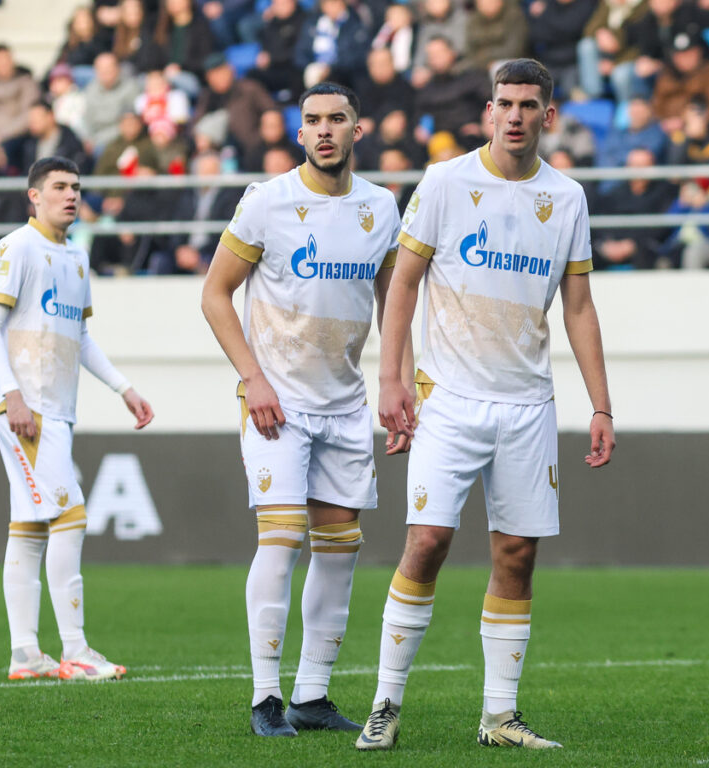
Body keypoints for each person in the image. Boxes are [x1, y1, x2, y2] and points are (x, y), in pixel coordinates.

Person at [356, 58, 614, 751]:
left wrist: (601, 405)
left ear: (548, 116)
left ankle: (499, 716)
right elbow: (402, 285)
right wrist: (391, 378)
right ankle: (385, 702)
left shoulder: (567, 198)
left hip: (528, 404)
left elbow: (580, 306)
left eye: (529, 104)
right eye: (505, 102)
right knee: (428, 541)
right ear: (488, 112)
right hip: (450, 397)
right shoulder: (445, 181)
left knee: (517, 554)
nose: (516, 115)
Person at [200, 82, 410, 738]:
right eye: (313, 121)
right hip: (277, 403)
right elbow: (214, 294)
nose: (324, 130)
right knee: (283, 536)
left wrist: (396, 378)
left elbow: (394, 299)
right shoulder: (267, 202)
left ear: (357, 129)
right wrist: (252, 378)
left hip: (345, 405)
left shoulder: (381, 206)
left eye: (336, 119)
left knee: (341, 547)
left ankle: (312, 696)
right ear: (300, 133)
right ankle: (266, 696)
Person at [0, 156, 153, 682]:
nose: (70, 195)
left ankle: (26, 654)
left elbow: (81, 337)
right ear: (34, 195)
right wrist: (13, 396)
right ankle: (75, 649)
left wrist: (124, 387)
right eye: (59, 187)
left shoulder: (76, 256)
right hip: (26, 411)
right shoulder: (16, 247)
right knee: (71, 514)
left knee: (29, 526)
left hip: (57, 410)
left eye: (76, 187)